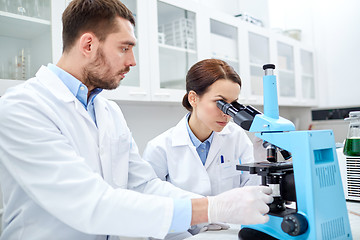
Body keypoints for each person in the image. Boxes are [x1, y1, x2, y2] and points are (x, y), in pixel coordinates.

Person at [0, 1, 273, 240]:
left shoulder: (109, 112)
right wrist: (211, 209)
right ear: (88, 44)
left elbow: (144, 185)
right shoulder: (23, 107)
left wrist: (215, 203)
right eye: (125, 48)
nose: (132, 61)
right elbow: (88, 203)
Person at [143, 59, 263, 238]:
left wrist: (260, 162)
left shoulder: (236, 137)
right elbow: (151, 208)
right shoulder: (160, 148)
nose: (227, 114)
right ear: (193, 98)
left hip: (231, 233)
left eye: (233, 104)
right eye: (221, 103)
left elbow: (252, 193)